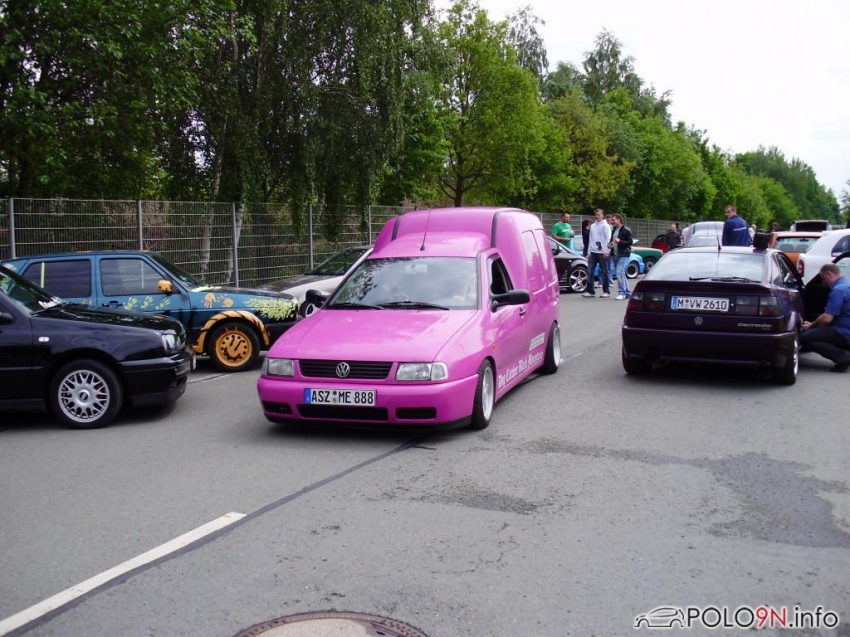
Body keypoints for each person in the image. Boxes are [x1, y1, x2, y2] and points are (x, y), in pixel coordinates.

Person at [801, 263, 850, 373]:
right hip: (844, 329)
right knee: (815, 333)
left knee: (804, 337)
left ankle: (844, 357)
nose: (823, 283)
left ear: (829, 274)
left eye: (823, 279)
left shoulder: (839, 290)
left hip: (843, 332)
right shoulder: (847, 283)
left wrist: (810, 326)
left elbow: (826, 319)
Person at [582, 208, 611, 298]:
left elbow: (608, 238)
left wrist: (607, 251)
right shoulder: (593, 226)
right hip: (593, 252)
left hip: (602, 252)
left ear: (602, 215)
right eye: (596, 215)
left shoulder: (605, 226)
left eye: (599, 215)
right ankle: (590, 291)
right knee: (590, 271)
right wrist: (588, 252)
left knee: (604, 271)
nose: (597, 216)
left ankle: (606, 291)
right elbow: (591, 239)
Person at [609, 213, 634, 300]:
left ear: (619, 219)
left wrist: (620, 241)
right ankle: (628, 293)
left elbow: (630, 241)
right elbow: (613, 241)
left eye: (613, 220)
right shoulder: (614, 230)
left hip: (624, 254)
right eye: (611, 220)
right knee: (622, 273)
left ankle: (621, 292)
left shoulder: (625, 229)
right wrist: (610, 245)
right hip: (615, 254)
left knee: (619, 272)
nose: (612, 222)